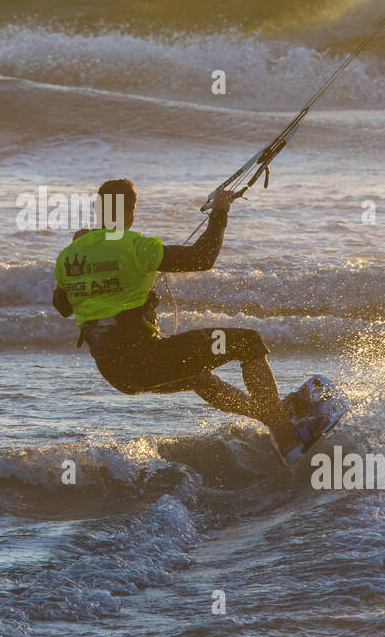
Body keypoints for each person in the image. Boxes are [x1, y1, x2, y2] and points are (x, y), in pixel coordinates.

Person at [52, 179, 326, 458]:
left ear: (98, 208)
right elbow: (202, 258)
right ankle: (285, 433)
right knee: (248, 342)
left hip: (117, 374)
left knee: (200, 378)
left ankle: (271, 416)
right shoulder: (136, 247)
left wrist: (82, 252)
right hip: (148, 360)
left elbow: (63, 306)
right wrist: (220, 212)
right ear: (131, 212)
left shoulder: (69, 257)